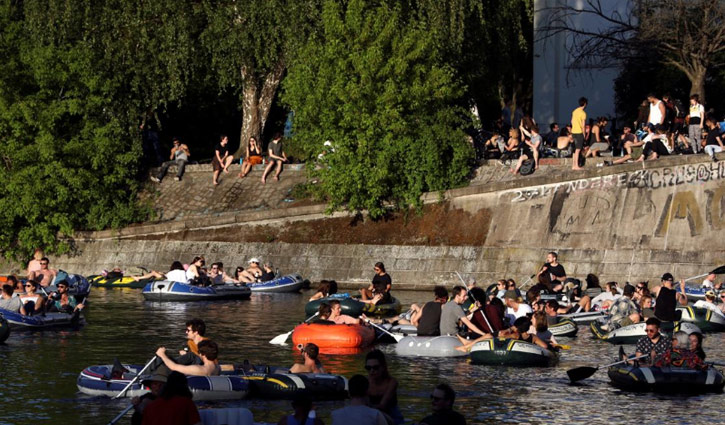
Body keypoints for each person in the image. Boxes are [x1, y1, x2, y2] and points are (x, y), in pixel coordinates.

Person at [365, 349, 403, 424]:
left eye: (375, 367)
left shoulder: (391, 382)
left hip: (392, 416)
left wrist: (364, 407)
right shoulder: (365, 382)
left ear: (383, 367)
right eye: (368, 368)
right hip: (372, 414)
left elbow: (383, 406)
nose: (372, 371)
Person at [155, 339, 221, 376]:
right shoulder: (217, 368)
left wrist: (162, 354)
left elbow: (173, 367)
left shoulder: (198, 369)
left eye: (199, 352)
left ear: (202, 354)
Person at [571, 97, 587, 170]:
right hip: (579, 132)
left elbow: (571, 121)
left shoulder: (574, 111)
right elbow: (583, 125)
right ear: (585, 104)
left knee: (574, 150)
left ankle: (573, 165)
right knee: (578, 149)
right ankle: (576, 166)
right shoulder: (583, 113)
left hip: (573, 132)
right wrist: (584, 134)